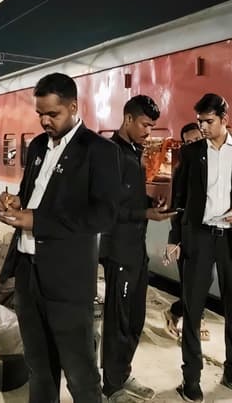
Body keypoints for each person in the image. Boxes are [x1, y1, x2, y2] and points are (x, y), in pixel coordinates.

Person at [0, 72, 120, 403]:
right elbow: (31, 194)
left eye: (53, 114)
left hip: (68, 280)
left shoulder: (99, 151)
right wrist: (16, 202)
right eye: (40, 114)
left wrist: (38, 220)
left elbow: (104, 215)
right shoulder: (38, 145)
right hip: (28, 272)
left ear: (74, 107)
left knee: (80, 373)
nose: (45, 121)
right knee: (38, 368)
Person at [173, 94, 232, 402]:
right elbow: (179, 198)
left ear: (225, 119)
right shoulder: (190, 154)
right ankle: (191, 378)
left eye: (208, 121)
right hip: (198, 237)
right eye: (199, 121)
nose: (202, 127)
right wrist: (175, 238)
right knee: (192, 309)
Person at [99, 95, 176, 403]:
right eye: (145, 125)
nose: (148, 131)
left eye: (152, 126)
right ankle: (111, 386)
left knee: (135, 318)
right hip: (118, 250)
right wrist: (144, 212)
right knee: (118, 320)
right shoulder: (109, 154)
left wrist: (149, 202)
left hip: (136, 248)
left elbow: (128, 196)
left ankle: (122, 373)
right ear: (128, 119)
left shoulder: (133, 151)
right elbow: (105, 208)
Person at [164, 123, 210, 342]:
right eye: (188, 142)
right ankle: (192, 326)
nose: (193, 145)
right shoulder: (181, 170)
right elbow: (176, 206)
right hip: (187, 235)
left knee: (203, 282)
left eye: (197, 140)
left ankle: (177, 312)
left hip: (210, 235)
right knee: (190, 283)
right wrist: (175, 240)